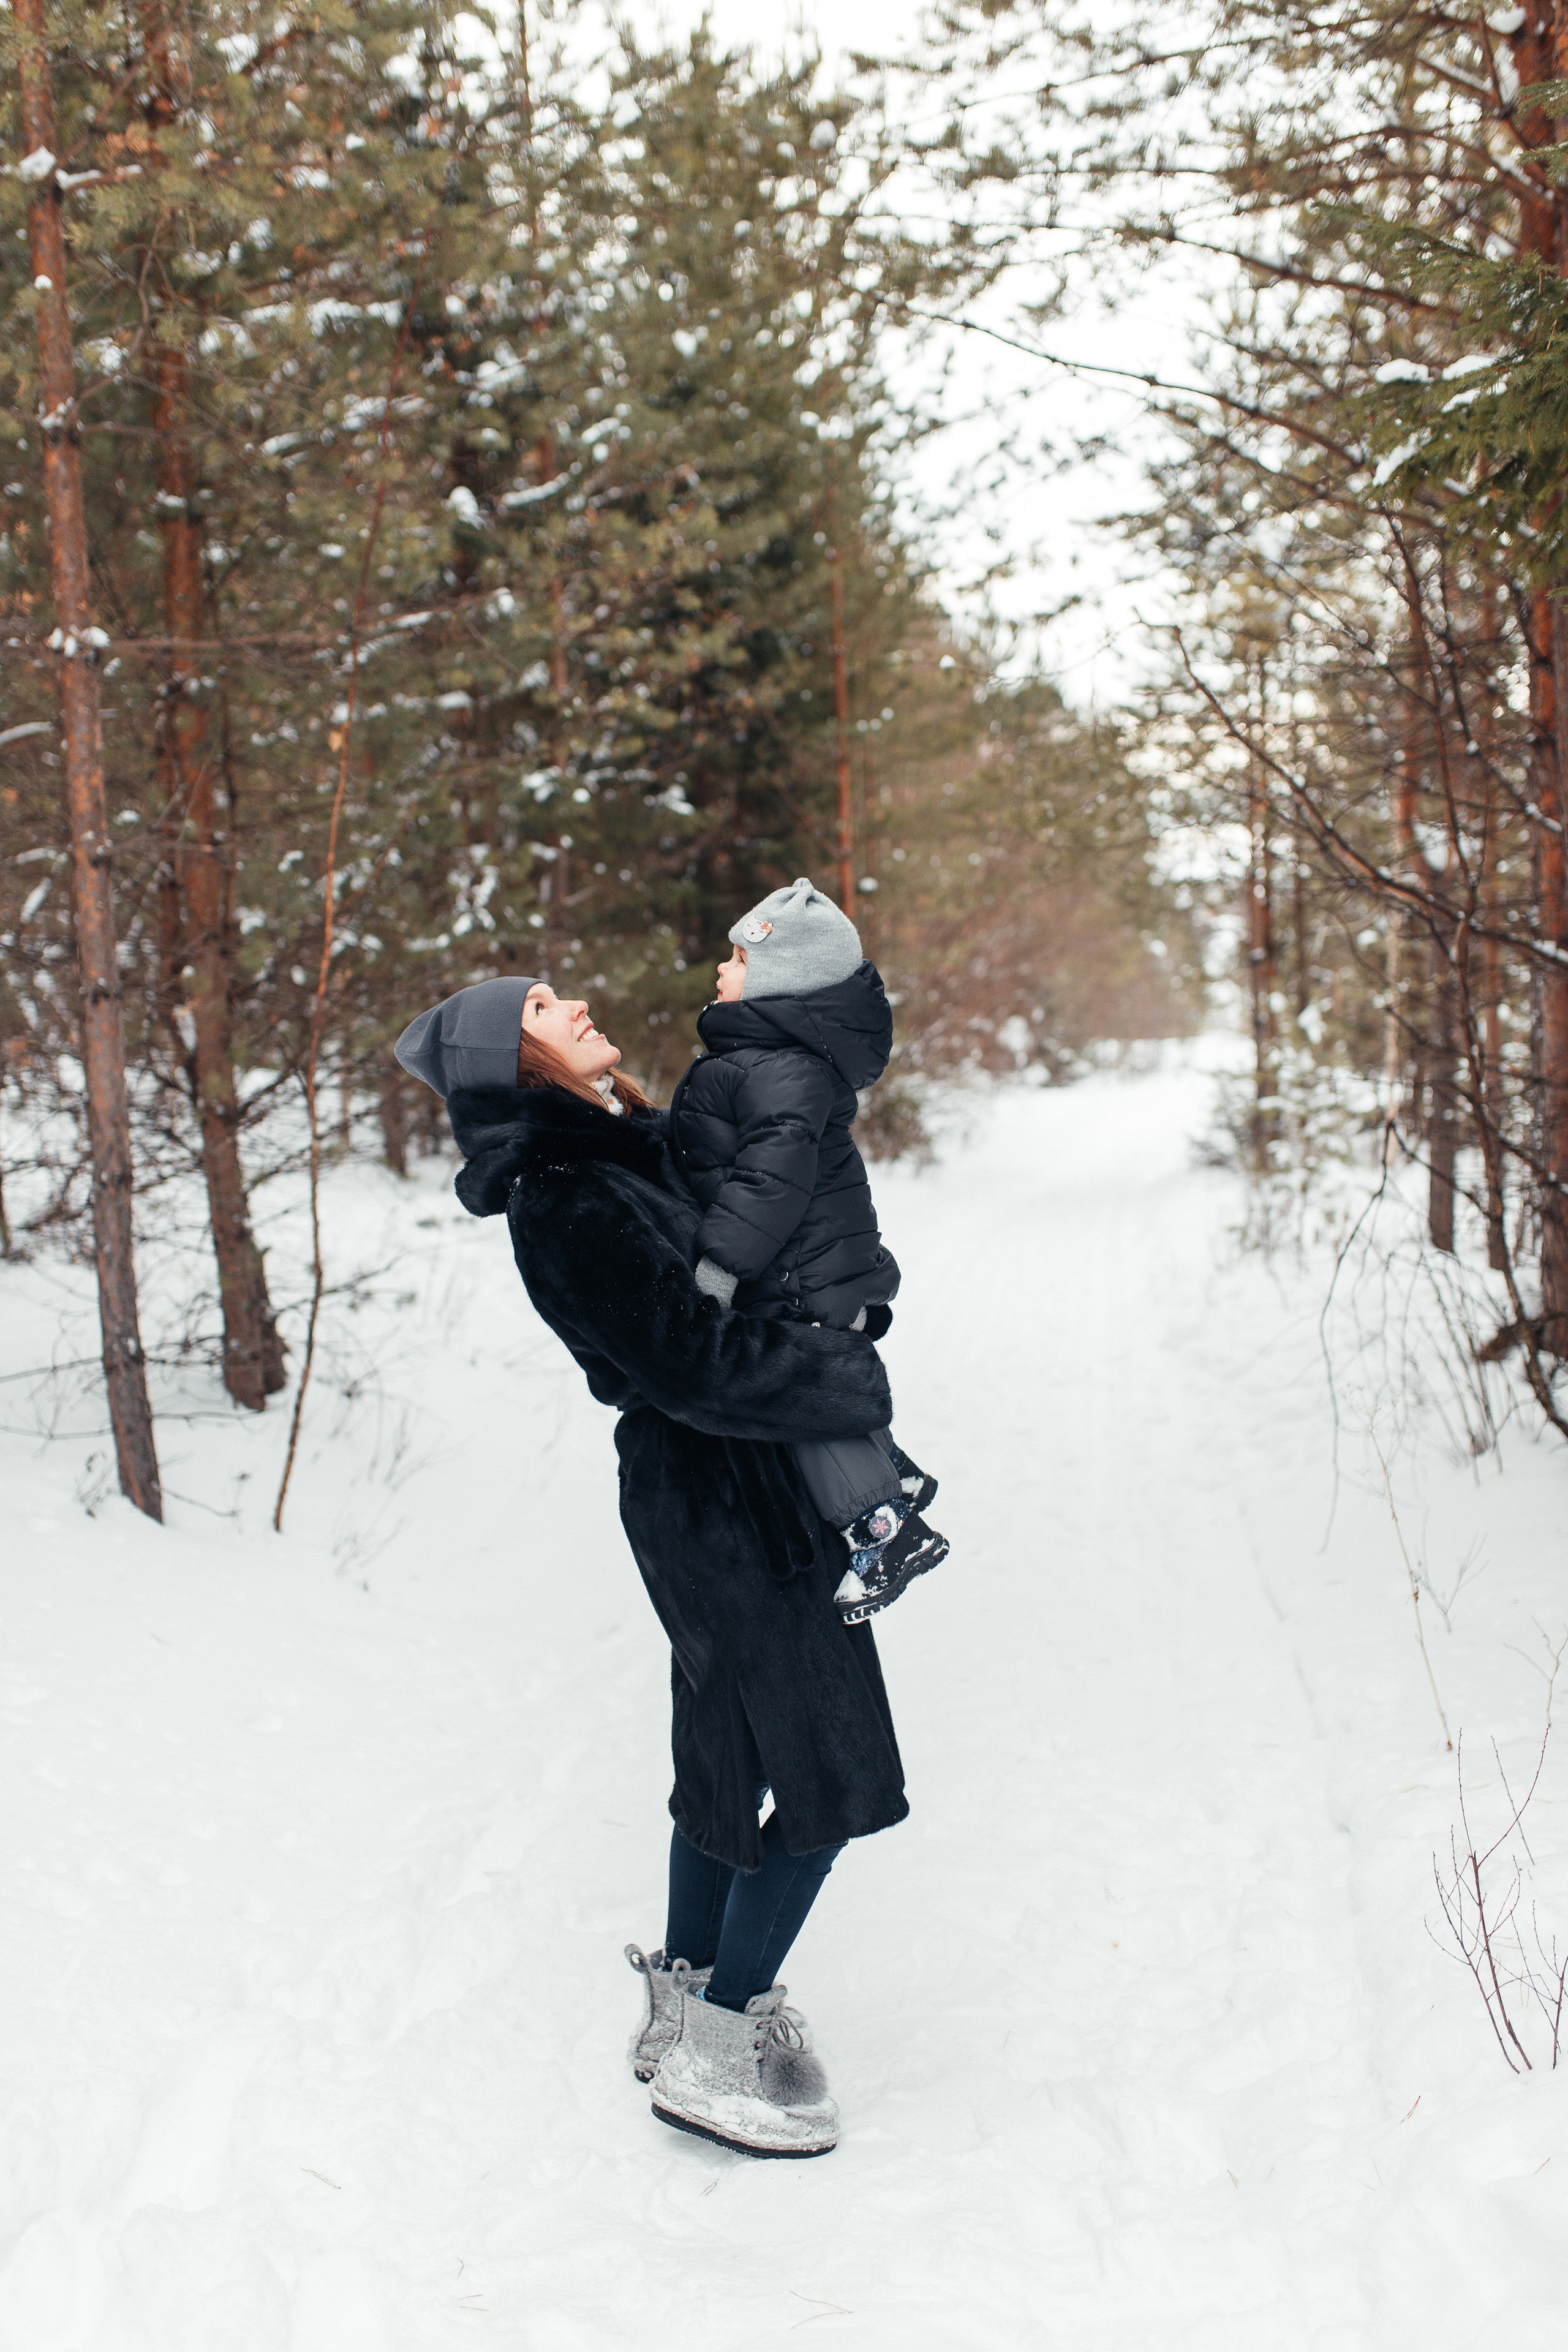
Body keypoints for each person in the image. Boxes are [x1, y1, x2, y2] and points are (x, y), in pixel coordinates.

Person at [393, 972, 910, 2160]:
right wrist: (842, 1382)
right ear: (509, 1061)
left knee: (726, 1745)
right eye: (540, 1006)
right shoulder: (565, 1191)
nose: (573, 1002)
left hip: (719, 1489)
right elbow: (688, 1363)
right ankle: (725, 2039)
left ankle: (684, 1989)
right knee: (830, 1770)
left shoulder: (627, 1148)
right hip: (720, 1494)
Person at [668, 877, 948, 1622]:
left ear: (776, 978)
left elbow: (771, 1180)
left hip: (797, 1276)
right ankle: (891, 1472)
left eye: (735, 960)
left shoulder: (776, 1069)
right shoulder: (769, 1059)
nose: (720, 971)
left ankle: (885, 1530)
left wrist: (720, 1266)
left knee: (804, 1405)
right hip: (815, 1267)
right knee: (827, 1392)